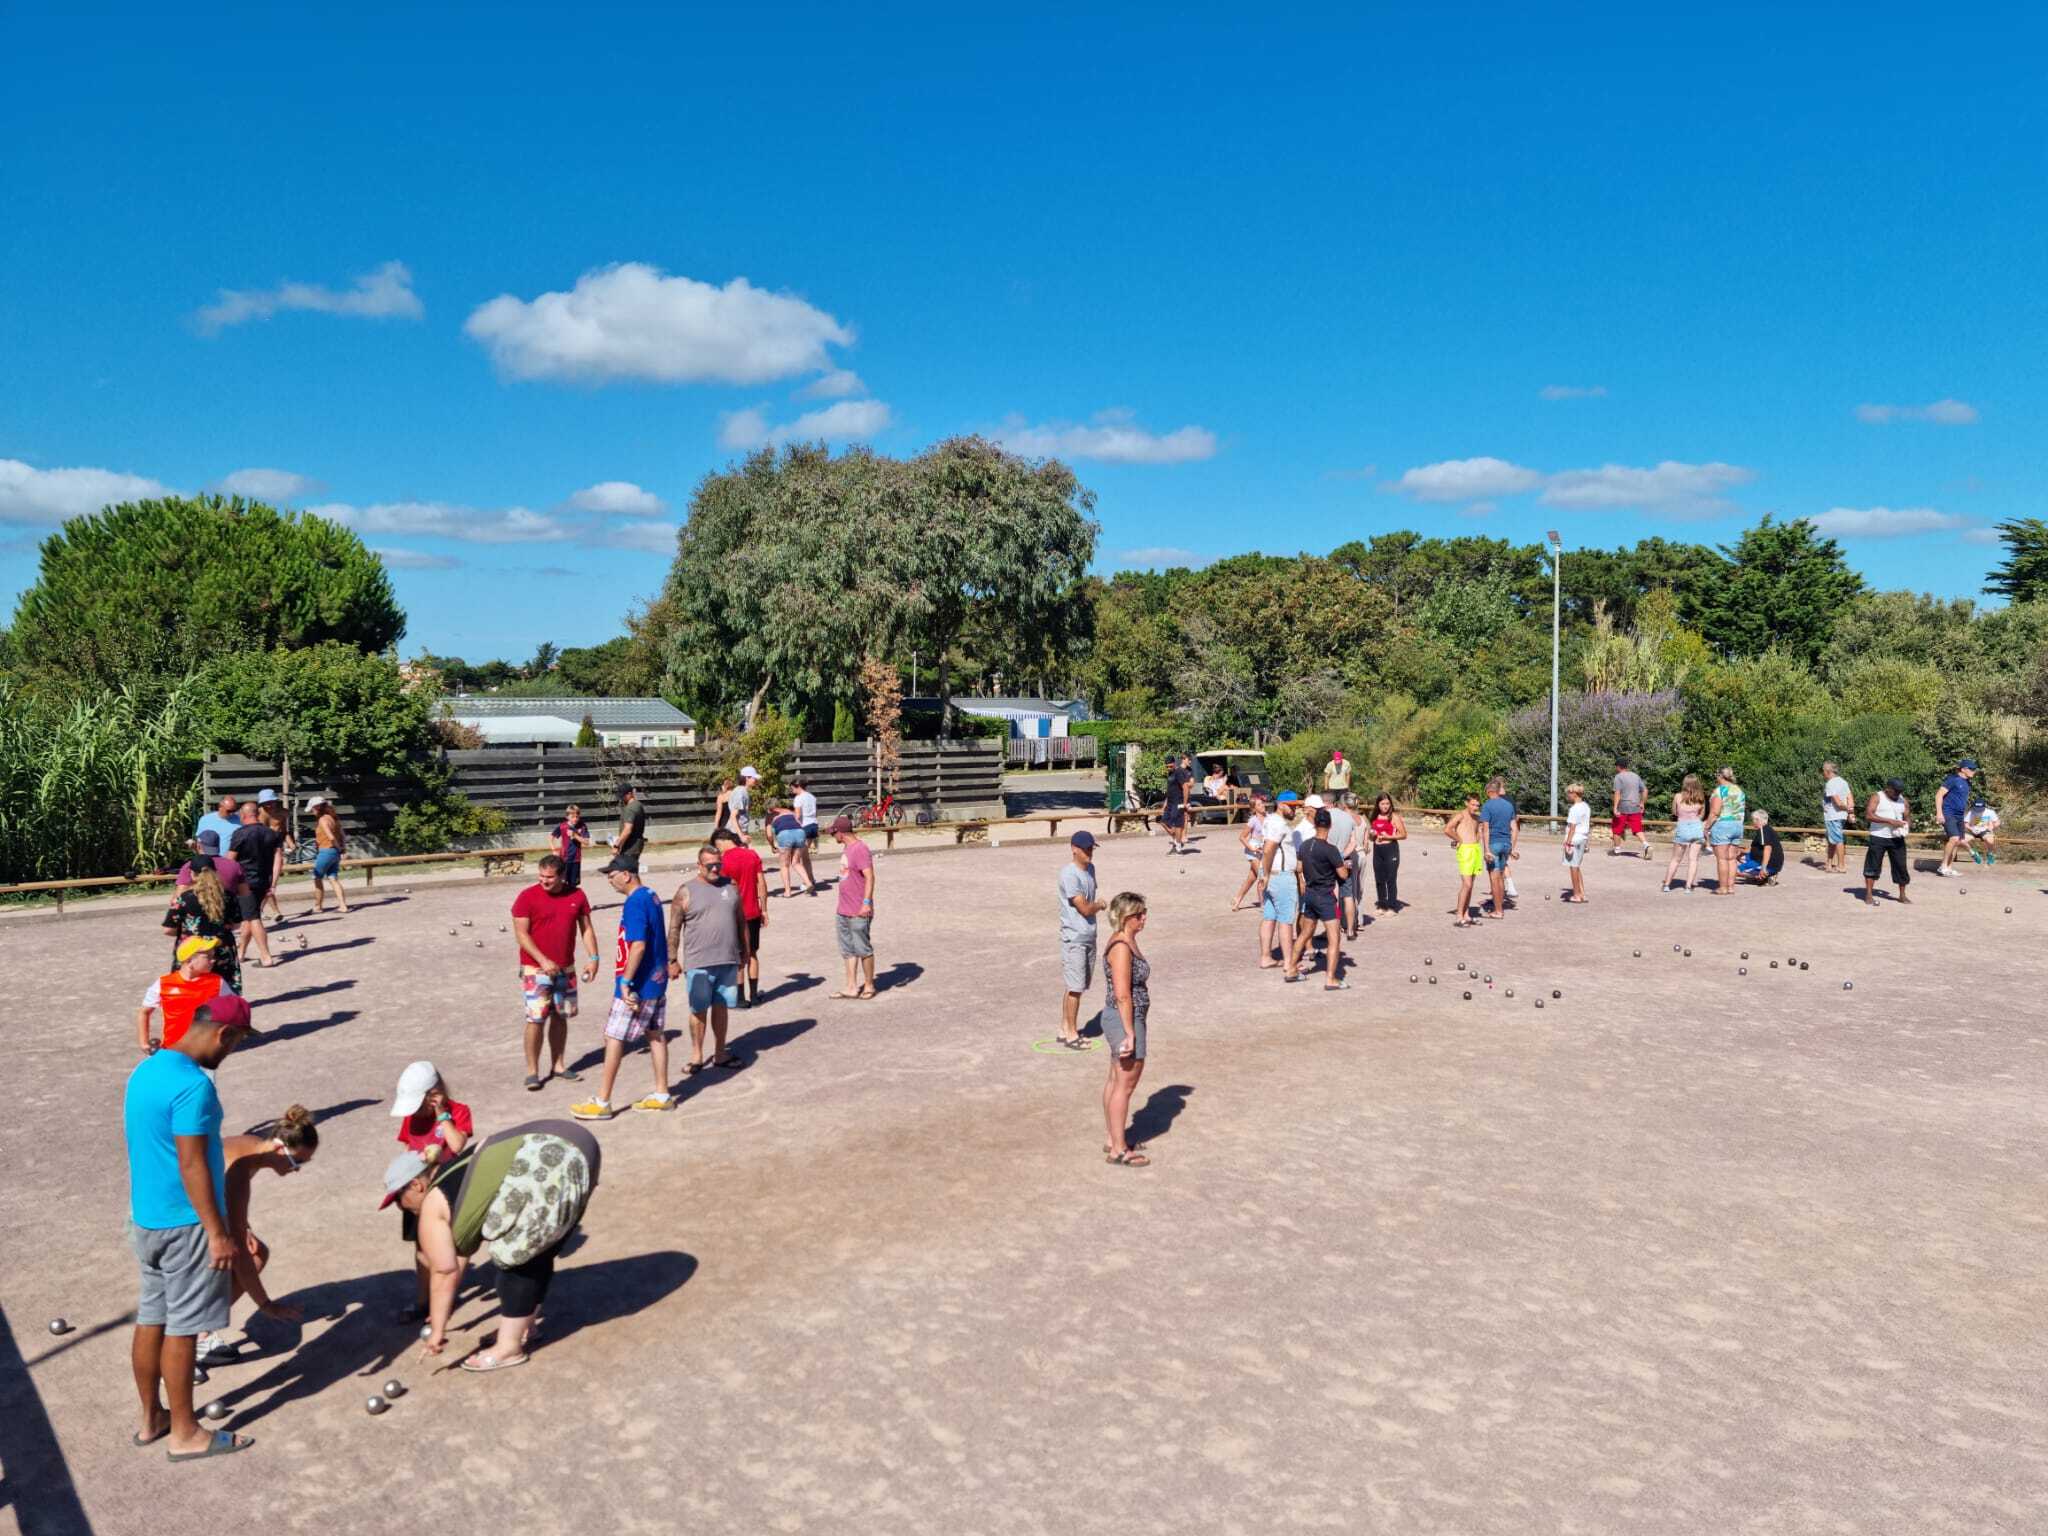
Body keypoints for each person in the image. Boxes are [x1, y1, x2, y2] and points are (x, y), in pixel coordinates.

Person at [123, 993, 256, 1460]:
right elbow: (193, 1162)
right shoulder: (193, 1086)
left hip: (147, 1219)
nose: (232, 1052)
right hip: (187, 1225)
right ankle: (186, 1433)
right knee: (183, 1328)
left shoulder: (146, 1070)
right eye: (236, 1042)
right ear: (224, 1034)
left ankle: (151, 1419)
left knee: (152, 1318)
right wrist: (218, 1232)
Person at [382, 1118, 601, 1375]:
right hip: (579, 1146)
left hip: (553, 1159)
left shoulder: (433, 1202)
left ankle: (508, 1347)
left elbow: (444, 1271)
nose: (402, 1208)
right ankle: (523, 1327)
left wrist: (437, 1332)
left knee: (512, 1256)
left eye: (399, 1200)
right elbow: (457, 1257)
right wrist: (442, 1310)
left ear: (417, 1185)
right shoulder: (456, 1172)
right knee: (538, 1249)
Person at [196, 1104, 318, 1364]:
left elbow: (224, 1200)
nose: (297, 1169)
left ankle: (199, 1333)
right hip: (173, 1221)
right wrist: (266, 1306)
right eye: (297, 1161)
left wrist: (243, 1226)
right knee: (219, 1267)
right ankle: (175, 1359)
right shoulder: (241, 1169)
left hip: (193, 1211)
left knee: (256, 1252)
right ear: (279, 1148)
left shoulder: (254, 1146)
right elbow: (240, 1258)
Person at [572, 859, 674, 1119]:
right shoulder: (651, 895)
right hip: (656, 981)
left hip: (638, 984)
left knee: (614, 1037)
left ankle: (603, 1101)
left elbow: (638, 946)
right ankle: (662, 1094)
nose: (609, 879)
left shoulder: (635, 902)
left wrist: (626, 982)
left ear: (627, 875)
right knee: (655, 1034)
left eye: (612, 874)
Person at [389, 1061, 477, 1325]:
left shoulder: (458, 1111)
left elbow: (457, 1144)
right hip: (418, 1191)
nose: (415, 1112)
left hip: (447, 1191)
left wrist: (442, 1114)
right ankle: (423, 1300)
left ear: (434, 1095)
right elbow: (407, 1150)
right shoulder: (411, 1118)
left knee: (453, 1247)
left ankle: (444, 1300)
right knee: (422, 1250)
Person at [511, 854, 600, 1090]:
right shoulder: (526, 897)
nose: (544, 881)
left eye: (549, 877)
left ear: (561, 876)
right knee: (536, 1019)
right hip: (535, 970)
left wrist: (593, 958)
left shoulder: (577, 896)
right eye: (541, 876)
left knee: (561, 1017)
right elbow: (521, 934)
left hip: (566, 969)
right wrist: (542, 959)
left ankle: (558, 1065)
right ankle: (532, 1071)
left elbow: (587, 929)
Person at [666, 843, 752, 1074]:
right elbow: (674, 928)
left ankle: (721, 1052)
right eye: (710, 865)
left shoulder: (730, 886)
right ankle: (696, 1056)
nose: (715, 869)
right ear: (699, 866)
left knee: (721, 1007)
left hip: (727, 959)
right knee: (698, 1009)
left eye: (718, 864)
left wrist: (745, 950)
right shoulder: (686, 890)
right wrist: (672, 959)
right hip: (698, 963)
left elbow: (741, 921)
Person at [1100, 892, 1151, 1167]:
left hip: (1123, 1018)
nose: (1144, 918)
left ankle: (1113, 1137)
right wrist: (1130, 1033)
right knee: (1125, 1084)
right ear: (1126, 917)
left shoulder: (1127, 940)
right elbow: (1122, 994)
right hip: (1124, 1019)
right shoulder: (1120, 947)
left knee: (1115, 1080)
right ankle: (1119, 1149)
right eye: (1139, 914)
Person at [162, 862, 243, 996]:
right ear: (215, 872)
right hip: (222, 949)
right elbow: (236, 925)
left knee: (190, 991)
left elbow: (168, 929)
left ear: (192, 875)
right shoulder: (229, 896)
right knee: (222, 993)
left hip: (193, 951)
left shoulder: (185, 898)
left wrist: (186, 933)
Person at [712, 827, 770, 1007]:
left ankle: (740, 998)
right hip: (752, 912)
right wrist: (765, 910)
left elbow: (719, 891)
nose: (717, 850)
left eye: (717, 846)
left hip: (732, 915)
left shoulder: (723, 861)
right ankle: (754, 995)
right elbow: (762, 883)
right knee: (752, 953)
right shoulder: (752, 855)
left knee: (738, 957)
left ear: (722, 841)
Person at [137, 937, 225, 1054]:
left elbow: (235, 1008)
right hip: (173, 1049)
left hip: (205, 1051)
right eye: (208, 956)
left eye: (213, 956)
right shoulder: (163, 984)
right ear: (189, 961)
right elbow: (144, 1012)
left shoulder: (217, 982)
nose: (213, 960)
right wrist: (144, 1042)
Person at [1058, 831, 1105, 1049]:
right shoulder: (1069, 874)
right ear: (1074, 849)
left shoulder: (1091, 869)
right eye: (1086, 849)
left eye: (1091, 848)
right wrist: (1100, 905)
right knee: (1075, 987)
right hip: (1074, 936)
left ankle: (1063, 1028)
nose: (1089, 853)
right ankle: (1071, 1034)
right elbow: (1085, 907)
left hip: (1088, 934)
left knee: (1076, 985)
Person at [1299, 807, 1351, 989]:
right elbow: (1343, 875)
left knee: (1305, 934)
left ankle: (1290, 968)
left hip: (1310, 894)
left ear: (1315, 824)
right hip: (1325, 896)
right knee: (1334, 939)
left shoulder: (1305, 845)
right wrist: (1346, 867)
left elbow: (1299, 868)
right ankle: (1330, 979)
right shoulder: (1331, 849)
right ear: (1330, 825)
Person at [1256, 792, 1307, 976]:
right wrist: (1267, 874)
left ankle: (1266, 957)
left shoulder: (1270, 820)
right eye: (1291, 806)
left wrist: (1265, 874)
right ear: (1281, 805)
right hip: (1281, 876)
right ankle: (1289, 962)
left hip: (1271, 874)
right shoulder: (1278, 824)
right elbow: (1269, 849)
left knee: (1270, 916)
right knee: (1286, 920)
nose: (1295, 809)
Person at [227, 802, 280, 969]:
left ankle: (265, 957)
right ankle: (241, 953)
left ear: (244, 815)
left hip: (245, 883)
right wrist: (273, 882)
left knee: (252, 917)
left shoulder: (240, 833)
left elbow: (230, 860)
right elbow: (278, 859)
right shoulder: (271, 833)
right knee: (248, 917)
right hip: (264, 881)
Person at [830, 815, 877, 999]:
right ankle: (851, 986)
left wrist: (866, 903)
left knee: (863, 948)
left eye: (834, 833)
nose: (833, 836)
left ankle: (869, 985)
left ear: (841, 833)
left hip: (858, 909)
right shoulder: (847, 849)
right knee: (847, 949)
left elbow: (870, 877)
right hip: (843, 909)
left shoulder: (860, 849)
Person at [1863, 778, 1912, 906]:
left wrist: (1906, 827)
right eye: (1895, 791)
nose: (1897, 794)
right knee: (1873, 866)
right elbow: (1868, 815)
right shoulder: (1877, 797)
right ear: (1888, 788)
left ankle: (1902, 895)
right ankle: (1868, 894)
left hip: (1897, 838)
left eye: (1900, 791)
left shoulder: (1903, 800)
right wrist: (1889, 821)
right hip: (1878, 836)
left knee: (1901, 866)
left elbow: (1907, 817)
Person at [1478, 776, 1519, 918]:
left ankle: (1498, 910)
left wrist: (1487, 850)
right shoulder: (1508, 806)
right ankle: (1499, 907)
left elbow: (1486, 829)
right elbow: (1515, 828)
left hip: (1494, 844)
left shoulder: (1488, 806)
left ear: (1490, 791)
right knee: (1501, 876)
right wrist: (1513, 848)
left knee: (1494, 878)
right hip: (1506, 844)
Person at [1662, 775, 1708, 893]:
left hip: (1682, 827)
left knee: (1676, 859)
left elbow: (1674, 812)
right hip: (1697, 828)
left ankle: (1667, 884)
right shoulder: (1701, 798)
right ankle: (1688, 887)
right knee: (1693, 860)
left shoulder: (1678, 796)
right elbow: (1702, 815)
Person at [1326, 793, 1363, 939]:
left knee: (1330, 894)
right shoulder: (1348, 818)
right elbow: (1353, 842)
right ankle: (1350, 930)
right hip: (1345, 858)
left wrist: (1334, 856)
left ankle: (1333, 930)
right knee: (1348, 895)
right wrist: (1342, 855)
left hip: (1328, 859)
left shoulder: (1326, 815)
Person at [306, 794, 349, 915]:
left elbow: (330, 836)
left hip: (326, 851)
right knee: (333, 878)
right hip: (335, 853)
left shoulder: (322, 819)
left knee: (316, 877)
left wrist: (338, 847)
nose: (312, 812)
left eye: (312, 809)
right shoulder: (334, 818)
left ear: (316, 807)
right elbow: (343, 835)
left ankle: (318, 906)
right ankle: (343, 906)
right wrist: (342, 849)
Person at [1446, 792, 1485, 926]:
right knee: (1466, 884)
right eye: (1473, 804)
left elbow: (1477, 833)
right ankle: (1458, 916)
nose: (1475, 807)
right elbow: (1447, 829)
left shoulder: (1477, 818)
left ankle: (1466, 914)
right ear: (1466, 803)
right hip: (1465, 851)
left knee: (1471, 885)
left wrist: (1478, 840)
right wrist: (1459, 840)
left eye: (1477, 805)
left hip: (1475, 850)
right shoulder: (1460, 815)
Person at [1707, 767, 1747, 897]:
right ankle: (1730, 887)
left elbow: (1715, 812)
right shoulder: (1739, 790)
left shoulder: (1720, 791)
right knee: (1732, 858)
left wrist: (1706, 826)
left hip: (1723, 826)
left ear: (1720, 776)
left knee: (1722, 859)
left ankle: (1723, 888)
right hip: (1738, 825)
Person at [1936, 759, 1977, 877]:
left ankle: (1948, 868)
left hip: (1959, 815)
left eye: (1974, 769)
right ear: (1963, 769)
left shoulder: (1967, 782)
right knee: (1954, 838)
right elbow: (1939, 795)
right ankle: (1942, 866)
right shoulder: (1952, 780)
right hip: (1948, 813)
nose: (1974, 771)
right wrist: (1939, 813)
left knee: (1958, 841)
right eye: (1972, 769)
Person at [255, 794, 292, 926]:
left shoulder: (283, 813)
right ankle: (274, 911)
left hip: (276, 849)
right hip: (262, 851)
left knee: (270, 883)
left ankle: (260, 909)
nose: (269, 806)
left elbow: (284, 831)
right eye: (266, 803)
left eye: (272, 802)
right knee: (267, 883)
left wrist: (291, 843)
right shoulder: (257, 814)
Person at [1368, 792, 1406, 915]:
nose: (1385, 806)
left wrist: (1389, 836)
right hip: (1377, 850)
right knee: (1379, 879)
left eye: (1387, 803)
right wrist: (1372, 835)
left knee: (1390, 878)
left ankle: (1392, 907)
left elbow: (1404, 834)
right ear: (1378, 804)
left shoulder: (1394, 817)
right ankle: (1382, 905)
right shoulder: (1374, 817)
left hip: (1391, 849)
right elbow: (1371, 837)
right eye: (1382, 803)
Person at [1231, 790, 1269, 911]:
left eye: (1262, 803)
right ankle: (1263, 904)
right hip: (1252, 851)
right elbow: (1242, 837)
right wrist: (1251, 847)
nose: (1262, 806)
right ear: (1254, 809)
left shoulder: (1269, 817)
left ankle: (1237, 899)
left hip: (1263, 850)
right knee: (1262, 875)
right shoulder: (1253, 820)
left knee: (1251, 878)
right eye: (1259, 805)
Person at [176, 829, 244, 895]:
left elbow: (179, 897)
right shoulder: (234, 865)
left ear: (198, 845)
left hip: (198, 904)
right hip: (228, 904)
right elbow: (245, 894)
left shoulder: (190, 866)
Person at [1609, 757, 1652, 859]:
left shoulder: (1618, 777)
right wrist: (1642, 803)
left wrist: (1615, 807)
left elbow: (1617, 793)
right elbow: (1645, 790)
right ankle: (1647, 845)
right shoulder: (1636, 776)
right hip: (1635, 807)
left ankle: (1617, 850)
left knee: (1616, 828)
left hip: (1623, 806)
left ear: (1618, 767)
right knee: (1637, 829)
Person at [1821, 760, 1855, 875]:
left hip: (1833, 816)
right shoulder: (1843, 782)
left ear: (1828, 771)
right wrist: (1850, 811)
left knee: (1838, 840)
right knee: (1832, 840)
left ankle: (1841, 866)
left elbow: (1838, 802)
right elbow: (1850, 797)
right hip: (1840, 816)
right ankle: (1829, 863)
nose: (1823, 774)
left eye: (1823, 771)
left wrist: (1847, 809)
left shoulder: (1830, 783)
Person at [769, 801, 810, 898]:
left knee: (784, 865)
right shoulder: (791, 813)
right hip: (800, 833)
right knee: (796, 862)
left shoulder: (772, 816)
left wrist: (772, 845)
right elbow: (800, 823)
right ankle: (808, 883)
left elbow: (770, 835)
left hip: (785, 835)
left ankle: (788, 892)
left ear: (771, 809)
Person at [1738, 809, 1785, 885]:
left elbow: (1768, 849)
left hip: (1768, 863)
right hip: (1763, 860)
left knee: (1733, 871)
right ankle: (1765, 874)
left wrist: (1763, 868)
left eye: (1753, 820)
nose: (1752, 822)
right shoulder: (1766, 829)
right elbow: (1754, 849)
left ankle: (1766, 875)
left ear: (1757, 820)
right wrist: (1740, 852)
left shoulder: (1763, 831)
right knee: (1740, 859)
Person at [1562, 782, 1591, 902]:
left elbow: (1572, 828)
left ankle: (1577, 895)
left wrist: (1567, 843)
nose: (1567, 795)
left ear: (1574, 794)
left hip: (1574, 839)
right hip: (1583, 838)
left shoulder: (1574, 809)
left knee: (1573, 867)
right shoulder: (1585, 806)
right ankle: (1582, 893)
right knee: (1577, 866)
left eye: (1569, 793)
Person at [552, 803, 593, 887]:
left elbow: (586, 842)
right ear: (567, 817)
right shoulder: (562, 826)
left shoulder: (582, 826)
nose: (575, 819)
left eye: (577, 817)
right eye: (573, 817)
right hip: (564, 858)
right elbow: (551, 837)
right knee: (563, 882)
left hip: (576, 859)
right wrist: (554, 849)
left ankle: (572, 899)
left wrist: (575, 835)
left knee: (573, 883)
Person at [792, 776, 821, 893]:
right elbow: (816, 813)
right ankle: (811, 879)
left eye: (793, 788)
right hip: (814, 825)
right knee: (805, 856)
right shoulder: (812, 797)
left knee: (795, 860)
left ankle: (807, 882)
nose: (792, 791)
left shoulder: (798, 798)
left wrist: (793, 826)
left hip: (805, 827)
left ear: (798, 787)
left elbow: (798, 816)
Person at [610, 785, 647, 873]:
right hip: (636, 845)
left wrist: (616, 845)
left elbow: (627, 830)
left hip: (630, 847)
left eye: (623, 796)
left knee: (628, 875)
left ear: (630, 794)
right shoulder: (638, 805)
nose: (621, 799)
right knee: (632, 873)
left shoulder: (630, 809)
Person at [1161, 753, 1190, 855]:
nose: (1169, 768)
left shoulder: (1179, 772)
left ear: (1174, 763)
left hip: (1178, 802)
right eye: (1167, 766)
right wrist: (1165, 803)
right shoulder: (1170, 773)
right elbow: (1170, 790)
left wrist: (1185, 803)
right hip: (1170, 803)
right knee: (1163, 821)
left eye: (1170, 766)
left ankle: (1178, 848)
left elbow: (1185, 787)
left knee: (1177, 825)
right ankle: (1175, 838)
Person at [1966, 797, 2000, 864]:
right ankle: (1973, 853)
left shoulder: (1990, 812)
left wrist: (1992, 827)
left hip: (1985, 831)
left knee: (1990, 839)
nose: (1978, 810)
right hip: (1973, 831)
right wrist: (1971, 829)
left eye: (1980, 808)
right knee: (1960, 839)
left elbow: (1998, 822)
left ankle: (1990, 854)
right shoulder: (1971, 812)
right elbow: (1965, 824)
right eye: (1977, 808)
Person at [732, 766, 759, 839]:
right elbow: (733, 816)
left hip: (740, 832)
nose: (756, 780)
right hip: (735, 834)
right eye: (754, 778)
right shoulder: (740, 793)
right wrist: (741, 836)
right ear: (747, 778)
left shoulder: (744, 791)